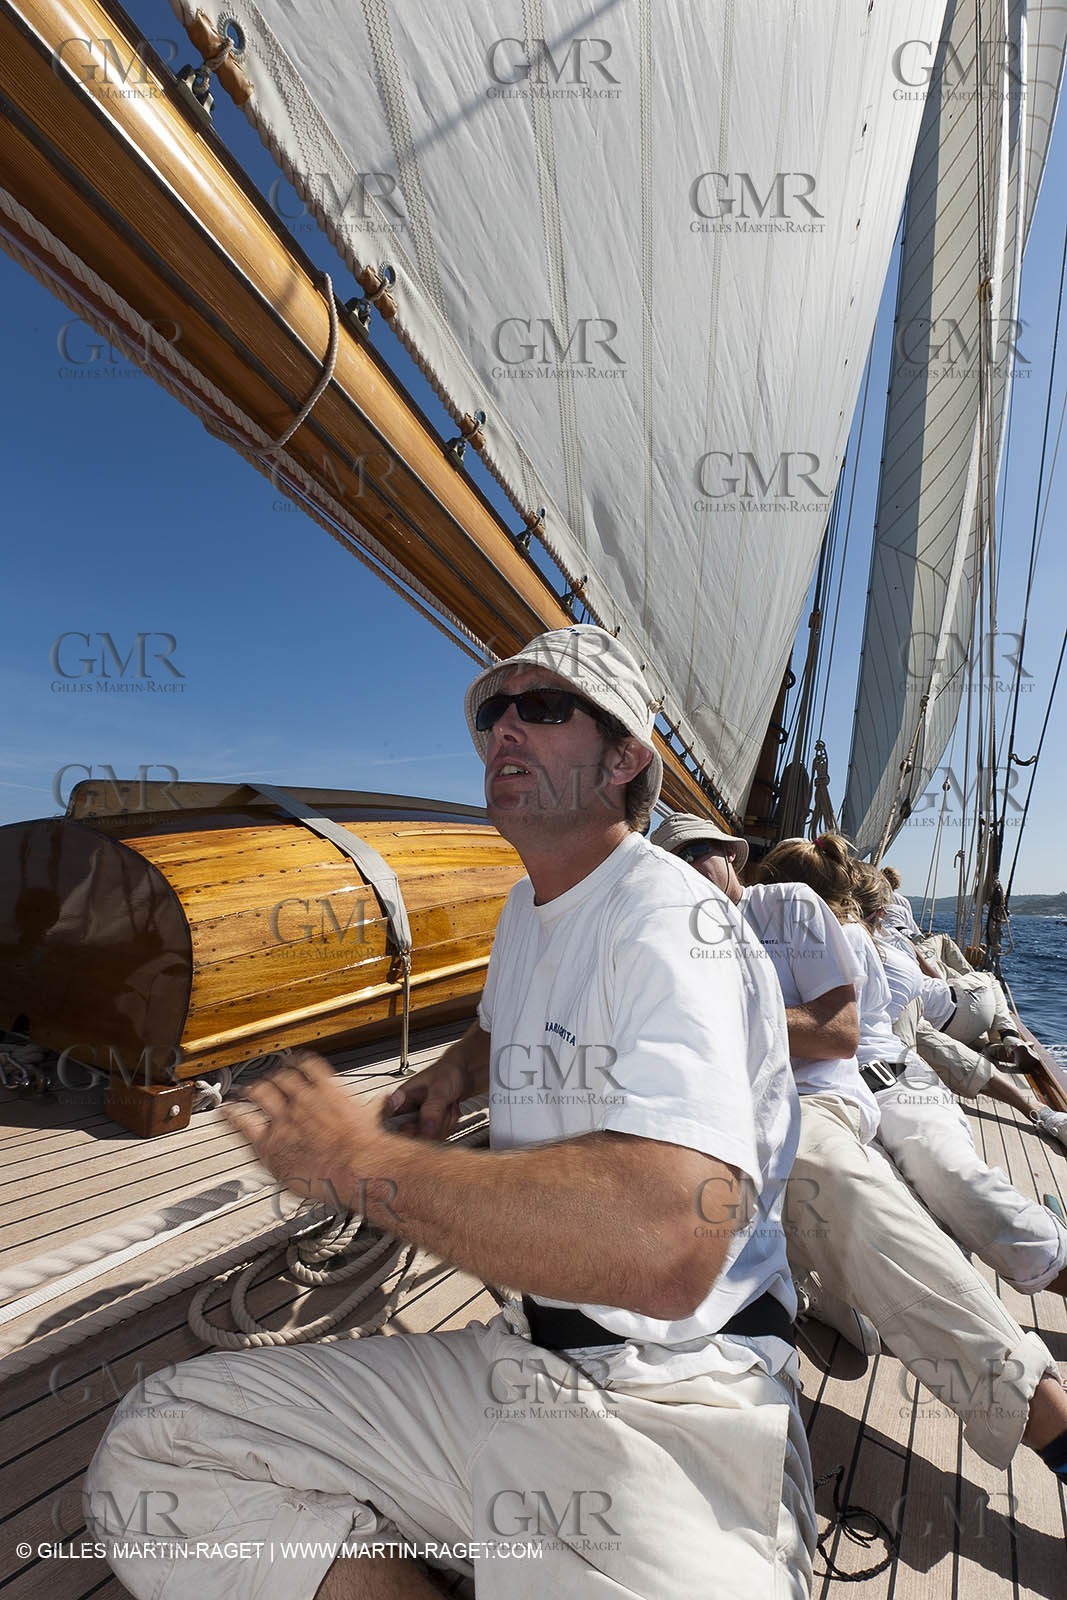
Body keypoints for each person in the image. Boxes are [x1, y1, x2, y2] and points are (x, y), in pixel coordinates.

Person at [85, 626, 816, 1600]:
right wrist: (452, 1076)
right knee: (160, 1448)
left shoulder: (668, 921)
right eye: (491, 712)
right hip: (528, 1359)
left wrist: (358, 1162)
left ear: (624, 760)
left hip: (672, 1408)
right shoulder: (529, 909)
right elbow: (499, 1022)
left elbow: (666, 1239)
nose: (503, 727)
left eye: (542, 707)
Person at [653, 818, 1067, 1483]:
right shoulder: (665, 940)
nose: (687, 868)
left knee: (862, 1183)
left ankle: (1045, 1416)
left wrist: (713, 1021)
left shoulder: (786, 908)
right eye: (670, 863)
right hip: (723, 1118)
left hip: (814, 1102)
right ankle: (819, 1292)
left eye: (698, 852)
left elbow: (838, 1030)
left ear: (732, 857)